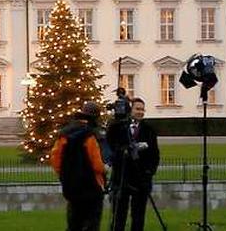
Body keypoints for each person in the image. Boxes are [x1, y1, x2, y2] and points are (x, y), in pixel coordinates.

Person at [51, 101, 107, 231]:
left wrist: (64, 174)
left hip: (71, 185)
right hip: (91, 185)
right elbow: (97, 164)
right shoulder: (90, 135)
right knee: (92, 223)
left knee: (74, 222)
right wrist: (105, 170)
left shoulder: (64, 134)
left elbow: (55, 158)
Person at [107, 98, 160, 231]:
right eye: (137, 109)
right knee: (119, 215)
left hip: (141, 178)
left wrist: (149, 172)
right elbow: (110, 147)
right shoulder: (118, 128)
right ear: (130, 110)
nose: (140, 112)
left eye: (142, 109)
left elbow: (155, 154)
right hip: (122, 177)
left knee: (138, 216)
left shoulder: (149, 130)